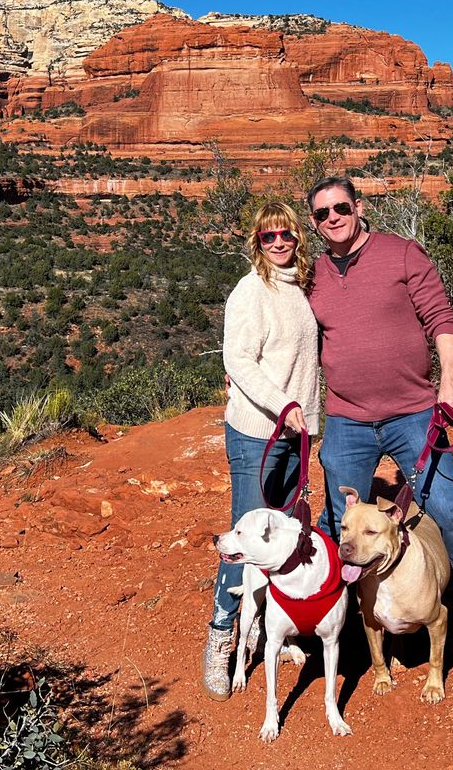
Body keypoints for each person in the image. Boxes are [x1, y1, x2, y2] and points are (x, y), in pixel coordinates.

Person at [305, 175, 453, 643]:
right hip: (347, 418)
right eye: (323, 214)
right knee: (335, 520)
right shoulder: (314, 274)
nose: (334, 219)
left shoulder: (402, 252)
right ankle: (333, 611)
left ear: (359, 206)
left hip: (413, 413)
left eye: (341, 208)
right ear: (314, 221)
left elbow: (441, 317)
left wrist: (450, 380)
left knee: (446, 506)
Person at [203, 200, 321, 700]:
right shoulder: (251, 291)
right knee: (246, 534)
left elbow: (309, 362)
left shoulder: (303, 287)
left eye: (286, 235)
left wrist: (308, 422)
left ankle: (273, 624)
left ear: (298, 237)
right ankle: (221, 635)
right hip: (257, 432)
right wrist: (283, 404)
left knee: (284, 531)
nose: (278, 243)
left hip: (295, 433)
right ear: (257, 242)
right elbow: (239, 361)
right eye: (269, 236)